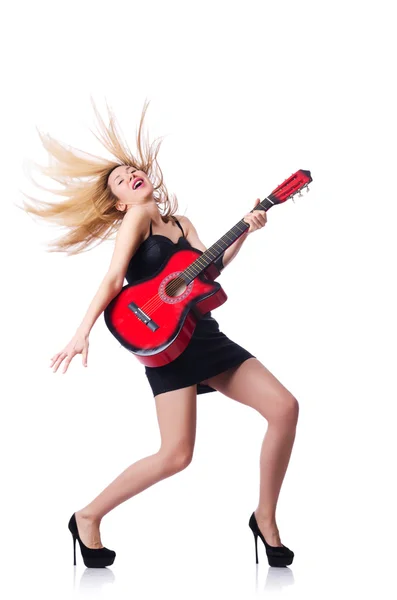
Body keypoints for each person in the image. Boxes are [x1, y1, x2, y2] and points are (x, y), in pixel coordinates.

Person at [21, 98, 298, 569]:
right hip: (164, 345)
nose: (130, 176)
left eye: (131, 170)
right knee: (176, 456)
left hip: (203, 333)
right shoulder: (136, 218)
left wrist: (247, 229)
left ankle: (264, 517)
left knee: (285, 408)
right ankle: (86, 517)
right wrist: (80, 332)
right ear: (118, 201)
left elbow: (207, 273)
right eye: (118, 180)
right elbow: (113, 281)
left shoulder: (183, 223)